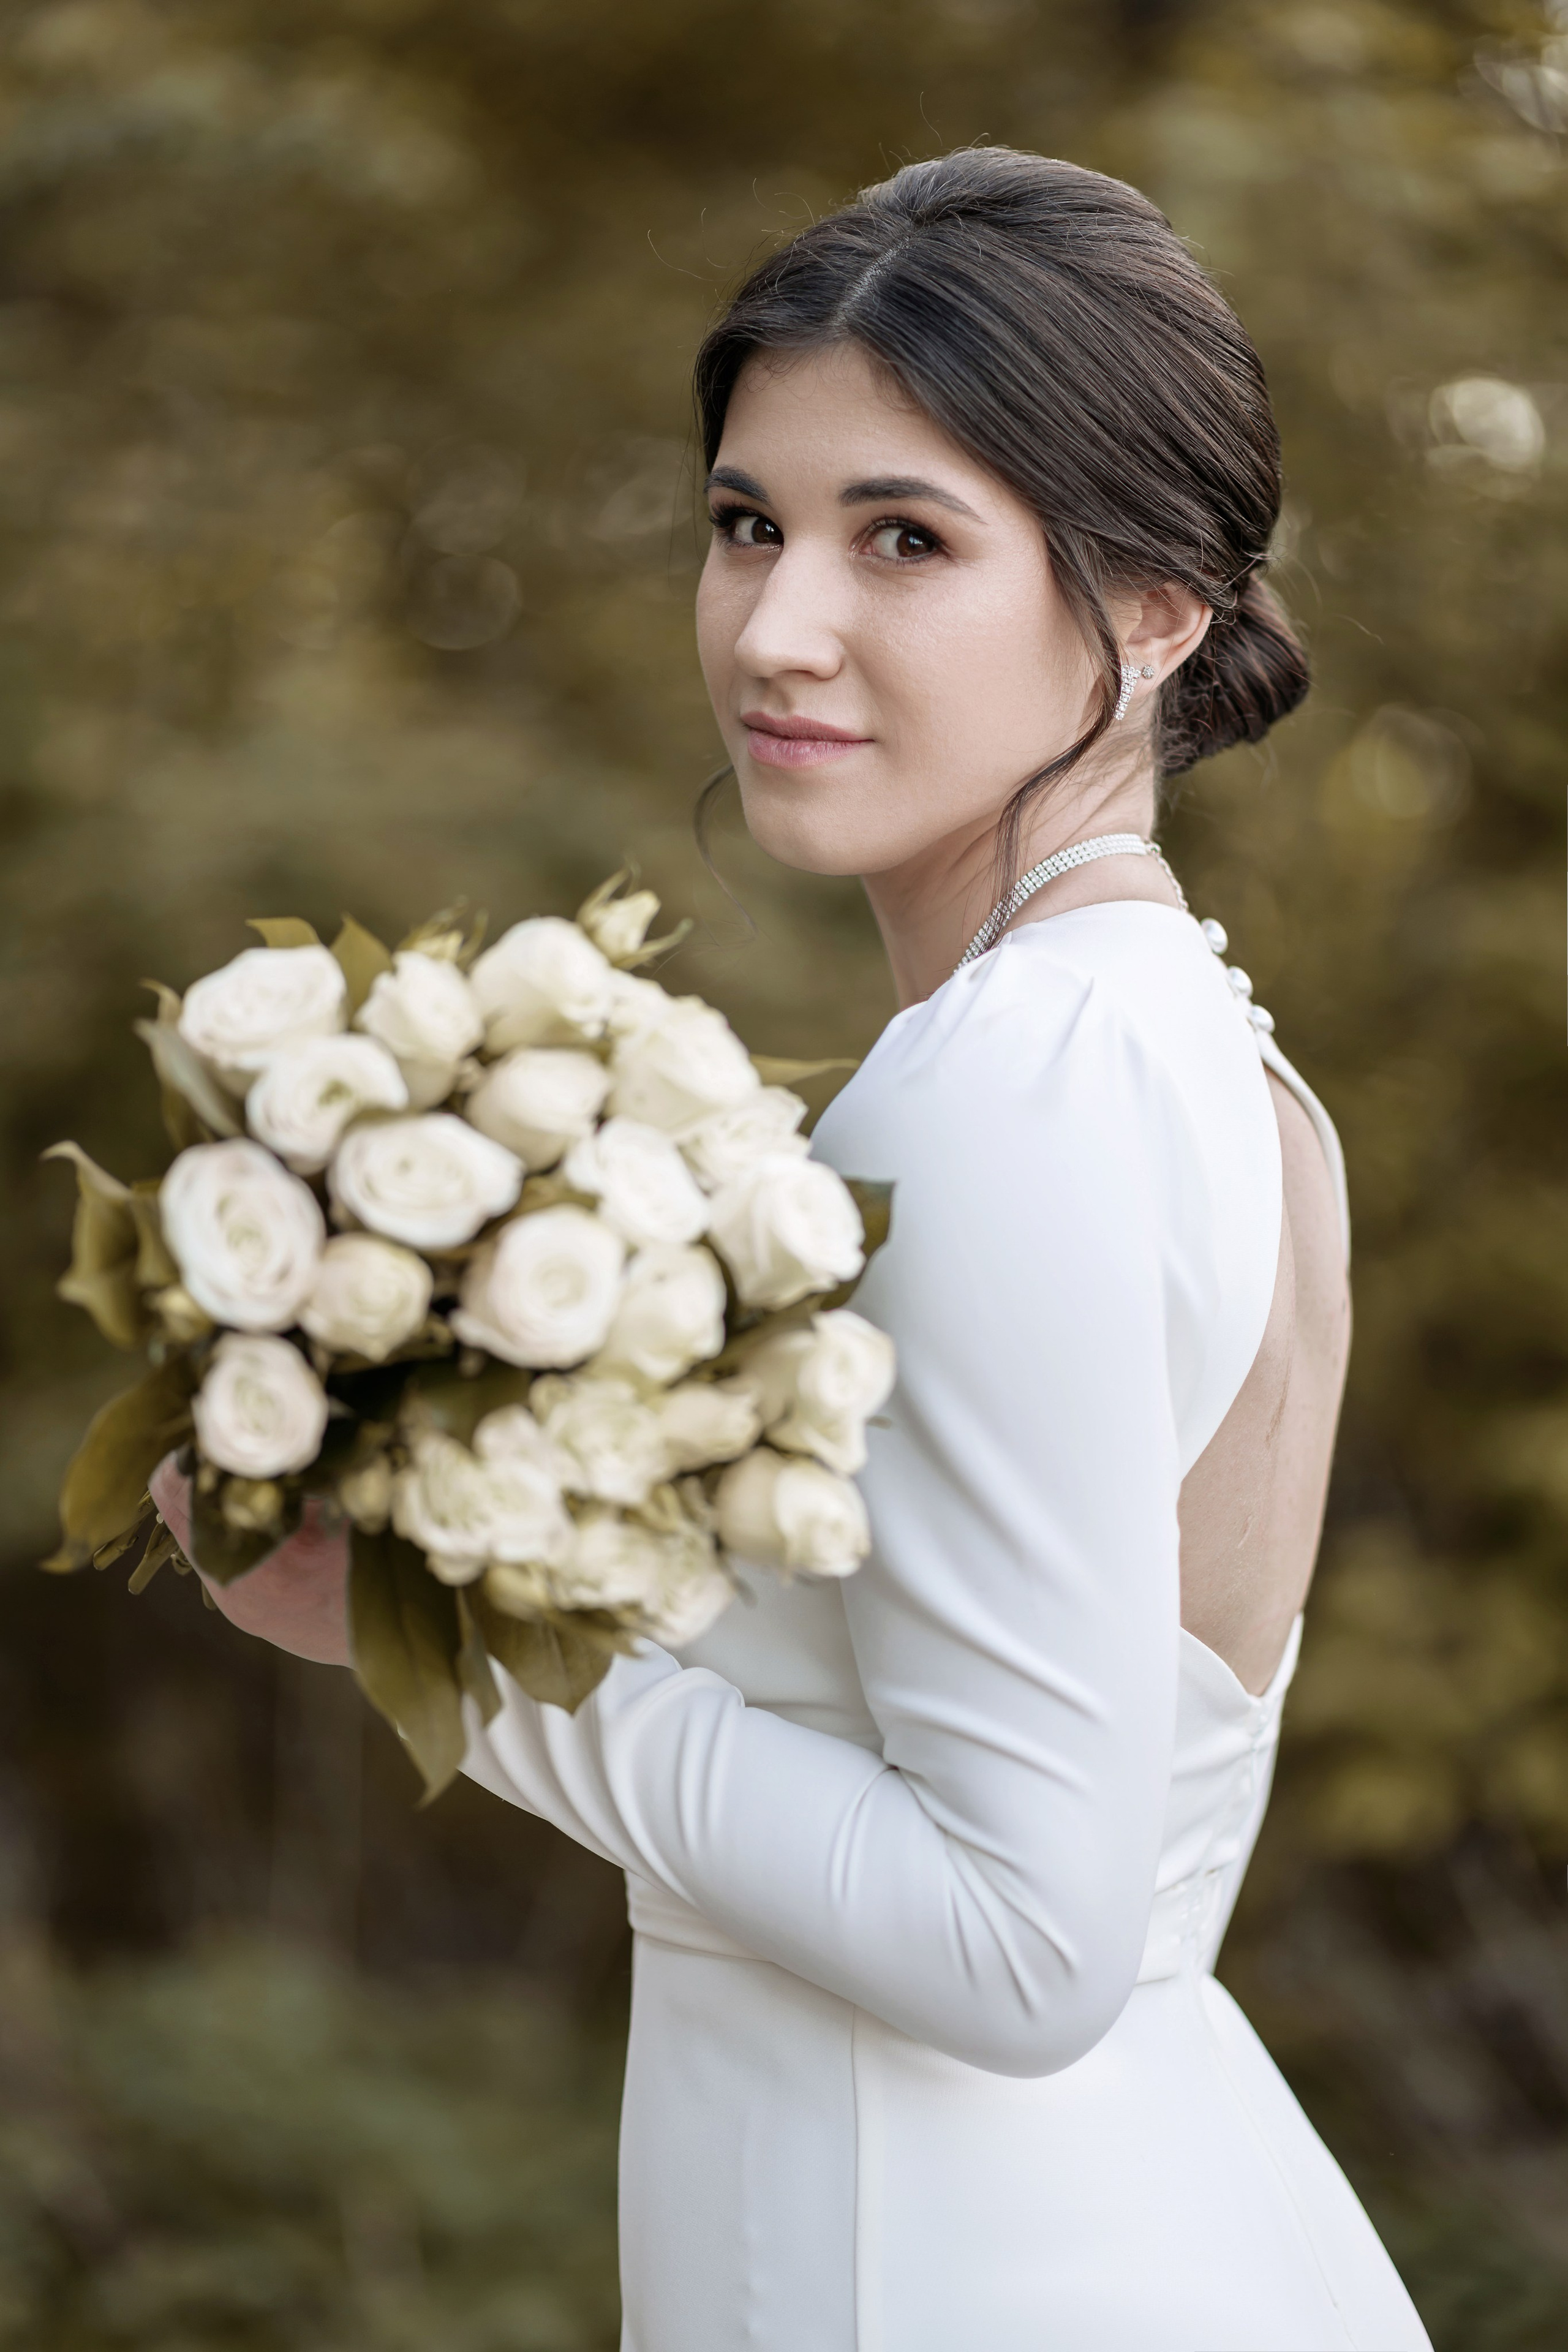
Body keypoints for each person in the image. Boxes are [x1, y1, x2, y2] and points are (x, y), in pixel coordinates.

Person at [155, 149, 1434, 2351]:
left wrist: (442, 1640)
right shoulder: (1194, 1056)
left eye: (904, 541)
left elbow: (1022, 1948)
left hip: (947, 2267)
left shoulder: (1011, 1096)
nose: (777, 628)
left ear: (1150, 612)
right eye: (749, 523)